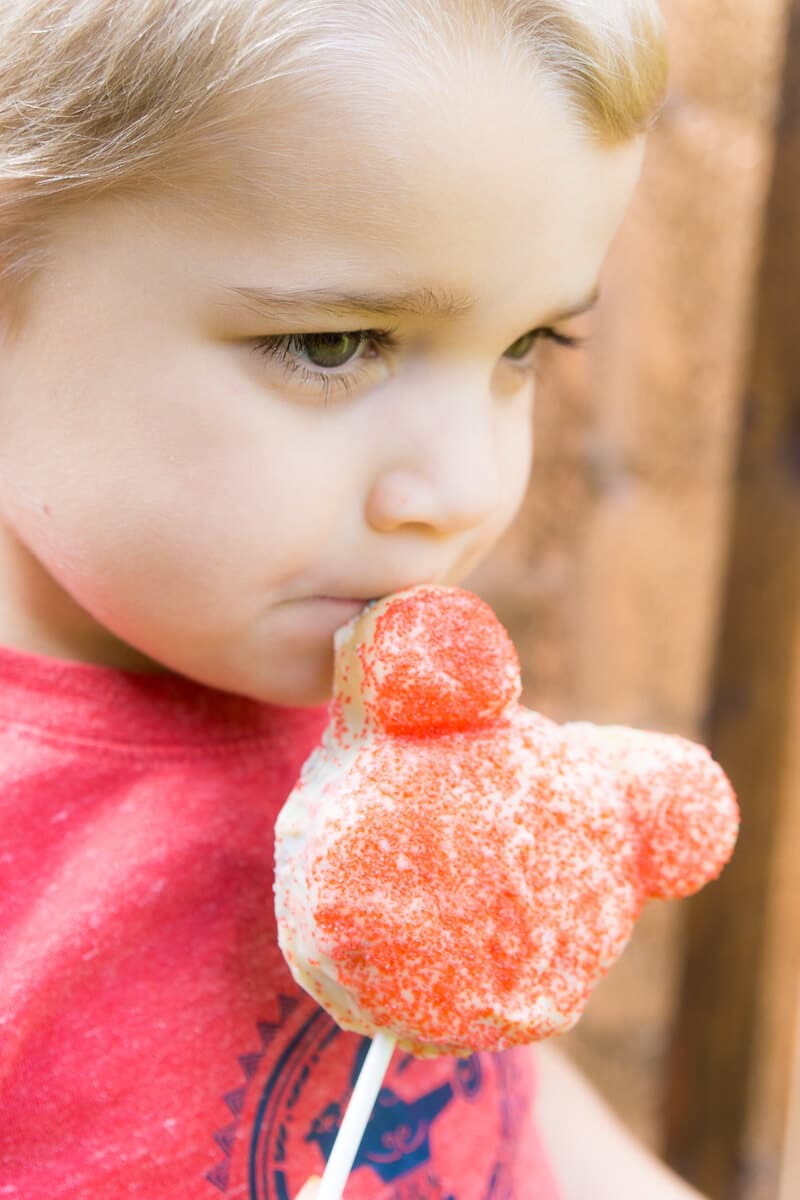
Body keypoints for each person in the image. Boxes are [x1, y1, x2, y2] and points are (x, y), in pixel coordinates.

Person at [0, 1, 705, 1197]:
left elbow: (484, 1082)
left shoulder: (379, 714)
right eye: (334, 344)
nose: (465, 488)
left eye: (525, 346)